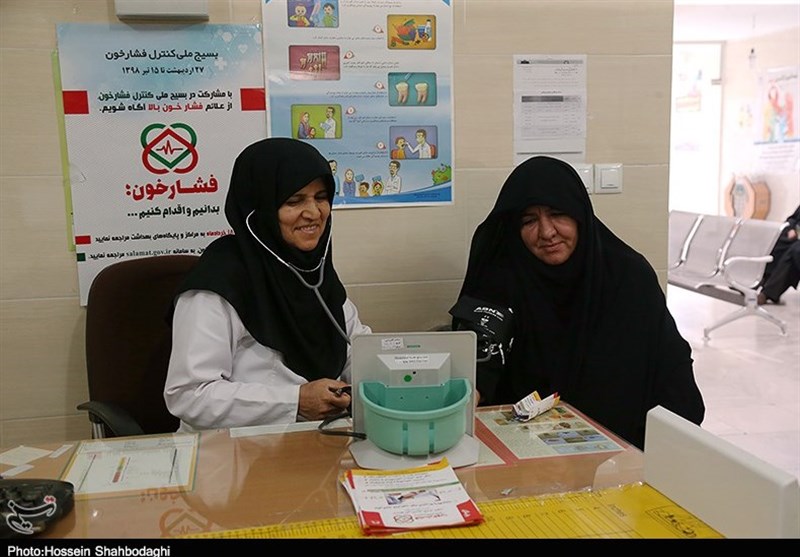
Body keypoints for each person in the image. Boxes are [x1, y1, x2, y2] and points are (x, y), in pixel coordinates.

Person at [452, 155, 705, 450]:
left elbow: (670, 367)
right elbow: (481, 349)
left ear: (579, 215)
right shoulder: (502, 277)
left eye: (557, 214)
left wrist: (668, 451)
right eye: (529, 221)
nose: (547, 232)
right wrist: (469, 392)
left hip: (619, 449)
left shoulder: (626, 276)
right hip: (523, 446)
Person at [164, 138, 371, 432]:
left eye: (321, 197)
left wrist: (400, 370)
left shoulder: (314, 272)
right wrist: (295, 401)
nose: (314, 213)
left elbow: (357, 351)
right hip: (234, 448)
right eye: (294, 201)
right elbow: (189, 395)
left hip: (316, 440)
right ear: (258, 208)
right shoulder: (217, 284)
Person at [758, 205, 800, 305]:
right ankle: (760, 280)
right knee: (779, 241)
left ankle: (768, 293)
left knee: (796, 250)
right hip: (797, 234)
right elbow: (792, 218)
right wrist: (792, 229)